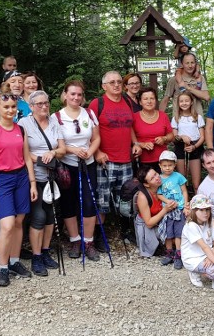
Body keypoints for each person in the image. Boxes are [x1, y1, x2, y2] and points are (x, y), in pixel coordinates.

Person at [0, 90, 37, 286]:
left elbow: (27, 157)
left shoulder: (20, 129)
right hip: (1, 179)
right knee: (6, 225)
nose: (10, 110)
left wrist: (32, 183)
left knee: (18, 222)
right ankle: (3, 267)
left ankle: (14, 261)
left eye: (13, 107)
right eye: (6, 107)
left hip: (21, 177)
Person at [18, 90, 64, 276]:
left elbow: (62, 148)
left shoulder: (53, 121)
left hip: (51, 177)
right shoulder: (24, 124)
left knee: (50, 216)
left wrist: (52, 154)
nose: (44, 106)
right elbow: (22, 152)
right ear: (31, 107)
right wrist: (40, 159)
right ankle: (36, 256)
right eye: (39, 104)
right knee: (38, 216)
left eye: (46, 103)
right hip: (33, 176)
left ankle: (45, 251)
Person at [55, 80, 101, 261]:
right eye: (72, 94)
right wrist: (72, 150)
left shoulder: (89, 113)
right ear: (65, 95)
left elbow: (97, 138)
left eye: (79, 94)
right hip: (67, 165)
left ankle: (88, 241)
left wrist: (89, 152)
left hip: (87, 163)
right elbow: (55, 144)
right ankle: (75, 239)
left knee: (89, 202)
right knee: (68, 202)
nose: (76, 97)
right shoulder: (56, 117)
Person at [89, 71, 140, 232]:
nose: (117, 85)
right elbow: (88, 131)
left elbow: (129, 125)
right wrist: (96, 153)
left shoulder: (127, 101)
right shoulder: (97, 104)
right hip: (106, 160)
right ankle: (99, 236)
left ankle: (127, 232)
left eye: (119, 82)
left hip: (126, 159)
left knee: (126, 199)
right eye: (112, 82)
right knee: (102, 200)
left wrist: (136, 143)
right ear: (104, 86)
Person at [182, 194, 214, 294]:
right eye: (201, 210)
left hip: (207, 254)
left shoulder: (207, 223)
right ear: (194, 211)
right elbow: (204, 247)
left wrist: (211, 256)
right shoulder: (191, 226)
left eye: (207, 209)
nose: (205, 213)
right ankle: (195, 271)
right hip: (194, 259)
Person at [134, 166, 177, 257]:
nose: (157, 178)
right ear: (147, 184)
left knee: (179, 234)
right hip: (148, 225)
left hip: (162, 220)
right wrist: (165, 210)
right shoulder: (143, 197)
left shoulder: (165, 184)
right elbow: (149, 223)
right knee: (174, 238)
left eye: (156, 174)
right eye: (152, 178)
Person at [156, 151, 188, 269]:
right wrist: (167, 201)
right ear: (160, 165)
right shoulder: (159, 179)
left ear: (174, 165)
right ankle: (169, 253)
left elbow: (184, 191)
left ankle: (178, 254)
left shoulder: (178, 176)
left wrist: (185, 205)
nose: (167, 168)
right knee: (168, 232)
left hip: (179, 209)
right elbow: (158, 194)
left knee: (178, 233)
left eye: (170, 165)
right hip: (167, 210)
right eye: (164, 165)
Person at [132, 87, 173, 171]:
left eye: (152, 98)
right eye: (145, 99)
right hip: (142, 162)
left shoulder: (163, 116)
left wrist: (164, 138)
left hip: (163, 162)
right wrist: (142, 144)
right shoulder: (134, 117)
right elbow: (129, 140)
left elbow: (171, 136)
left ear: (156, 100)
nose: (149, 101)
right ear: (140, 102)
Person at [171, 91, 205, 190]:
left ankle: (198, 203)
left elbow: (202, 137)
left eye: (186, 101)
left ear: (191, 102)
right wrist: (182, 137)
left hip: (195, 147)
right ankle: (184, 203)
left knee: (196, 183)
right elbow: (174, 136)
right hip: (181, 147)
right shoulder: (176, 118)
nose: (184, 103)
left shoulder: (197, 117)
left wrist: (194, 146)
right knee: (182, 181)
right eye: (181, 101)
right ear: (178, 103)